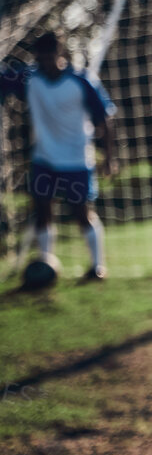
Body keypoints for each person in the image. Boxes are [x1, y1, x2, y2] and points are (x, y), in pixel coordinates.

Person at [2, 30, 117, 280]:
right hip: (44, 158)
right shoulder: (30, 79)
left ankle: (97, 266)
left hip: (76, 159)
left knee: (80, 211)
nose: (44, 62)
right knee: (42, 210)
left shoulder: (81, 80)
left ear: (59, 53)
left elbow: (105, 119)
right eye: (39, 58)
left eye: (48, 56)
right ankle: (46, 262)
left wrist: (109, 157)